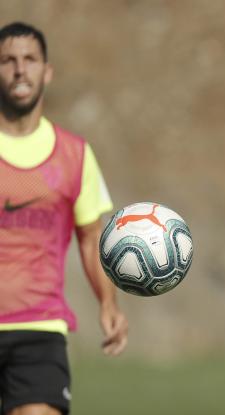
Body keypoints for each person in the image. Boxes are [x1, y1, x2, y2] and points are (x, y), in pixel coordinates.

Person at [0, 22, 128, 415]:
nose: (20, 70)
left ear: (47, 71)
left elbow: (92, 238)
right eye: (8, 60)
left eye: (30, 60)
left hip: (40, 328)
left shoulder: (74, 155)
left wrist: (108, 303)